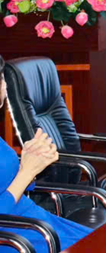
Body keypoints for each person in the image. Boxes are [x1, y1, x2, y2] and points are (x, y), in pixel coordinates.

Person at [0, 75, 91, 251]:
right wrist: (26, 173)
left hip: (35, 222)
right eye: (2, 80)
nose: (5, 85)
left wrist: (33, 161)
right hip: (15, 239)